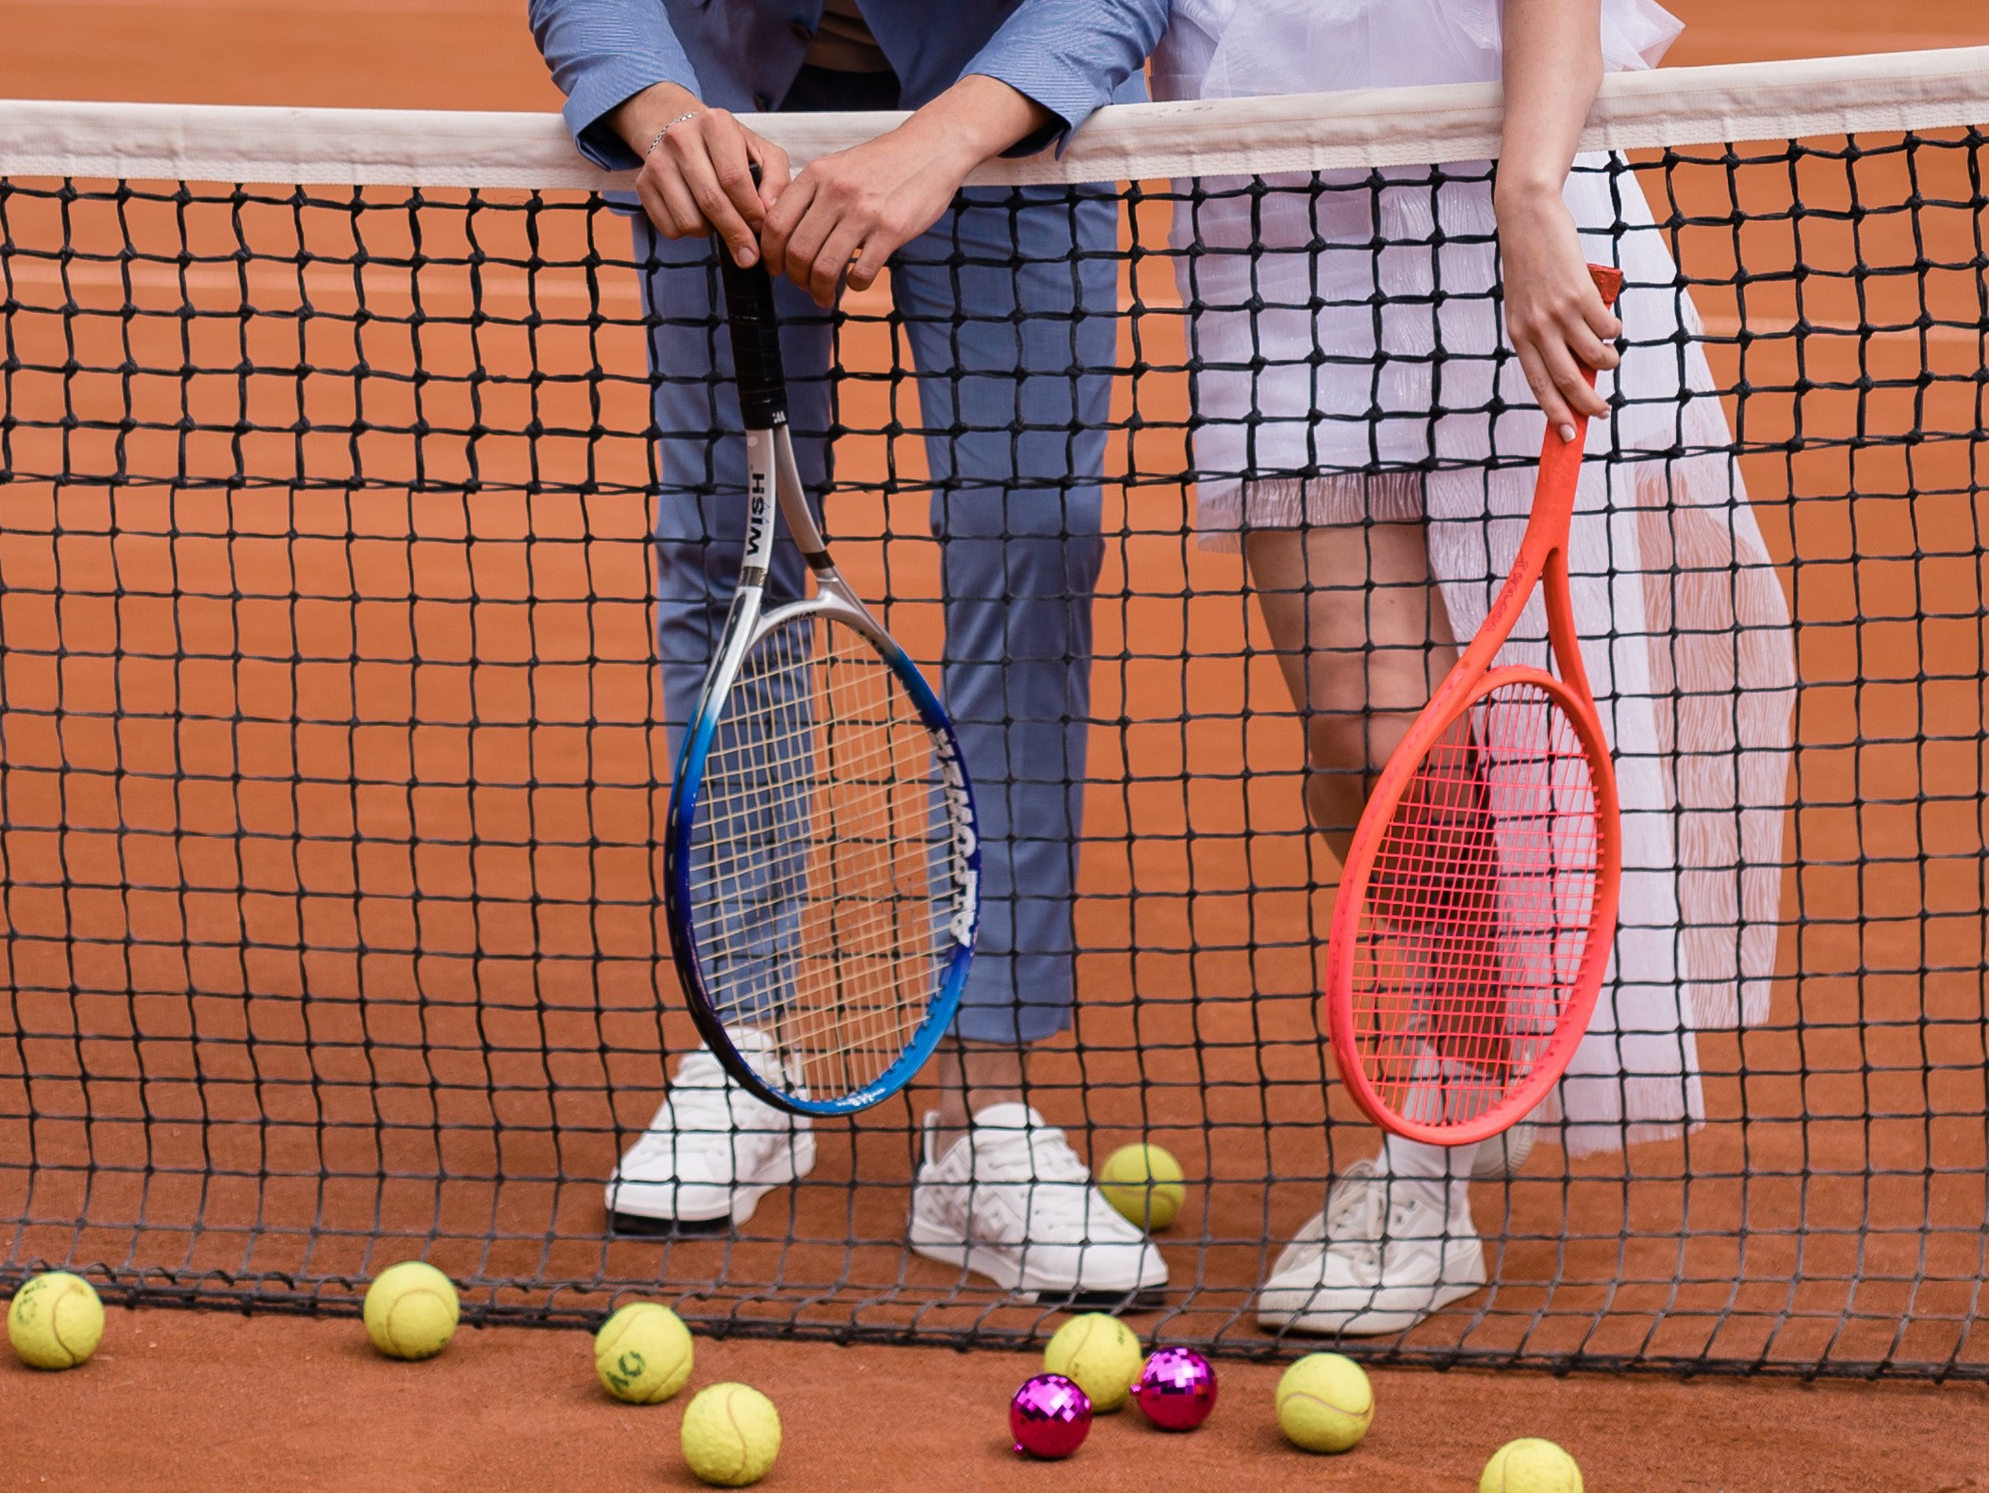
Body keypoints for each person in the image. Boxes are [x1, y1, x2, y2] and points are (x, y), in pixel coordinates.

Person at [1154, 0, 1797, 1332]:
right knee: (1370, 740)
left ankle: (1431, 1142)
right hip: (1266, 221)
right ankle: (1476, 1050)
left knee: (1526, 758)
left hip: (1490, 186)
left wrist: (1532, 188)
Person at [532, 0, 1175, 1300]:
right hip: (720, 107)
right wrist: (656, 105)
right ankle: (745, 1054)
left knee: (1033, 546)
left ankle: (983, 1120)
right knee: (731, 553)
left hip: (1001, 107)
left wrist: (947, 142)